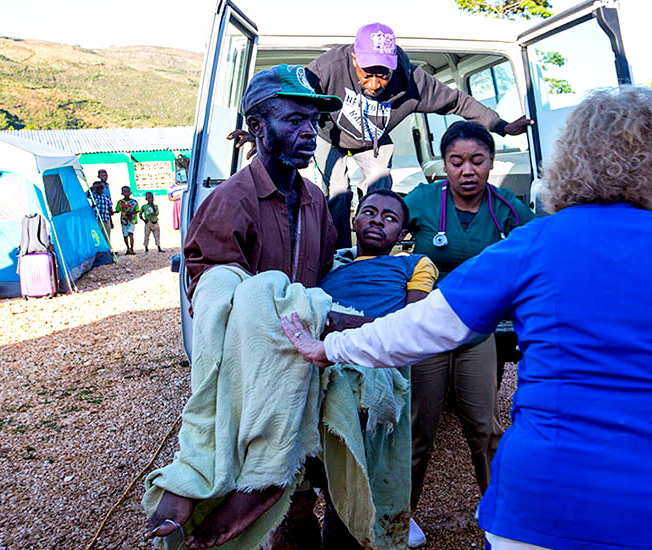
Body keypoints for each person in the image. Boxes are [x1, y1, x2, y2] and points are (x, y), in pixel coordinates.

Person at [282, 86, 652, 550]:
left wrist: (327, 348)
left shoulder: (529, 245)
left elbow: (419, 330)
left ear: (573, 161)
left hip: (544, 504)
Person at [144, 64, 341, 549]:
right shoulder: (231, 202)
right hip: (258, 378)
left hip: (310, 364)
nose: (308, 132)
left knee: (314, 478)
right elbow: (215, 300)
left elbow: (326, 275)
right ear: (258, 127)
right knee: (271, 483)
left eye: (313, 122)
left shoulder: (315, 199)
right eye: (293, 120)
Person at [231, 22, 534, 249]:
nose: (375, 82)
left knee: (380, 182)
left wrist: (501, 125)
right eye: (368, 73)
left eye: (383, 74)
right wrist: (262, 135)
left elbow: (457, 101)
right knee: (337, 191)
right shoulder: (328, 67)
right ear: (353, 59)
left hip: (373, 141)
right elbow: (290, 97)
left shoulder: (412, 80)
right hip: (331, 135)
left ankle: (376, 251)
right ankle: (342, 254)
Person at [402, 120, 534, 546]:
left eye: (477, 160)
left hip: (478, 332)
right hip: (428, 330)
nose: (467, 170)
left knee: (485, 426)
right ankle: (399, 514)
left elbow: (543, 241)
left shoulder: (508, 208)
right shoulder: (422, 201)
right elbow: (382, 228)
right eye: (456, 161)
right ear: (445, 164)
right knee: (419, 428)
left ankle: (501, 514)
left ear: (492, 163)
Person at [316, 188, 437, 549]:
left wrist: (346, 323)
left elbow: (410, 325)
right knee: (328, 477)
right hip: (324, 367)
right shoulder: (329, 264)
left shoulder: (415, 265)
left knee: (363, 475)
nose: (376, 221)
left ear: (401, 235)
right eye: (369, 212)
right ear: (353, 220)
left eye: (389, 218)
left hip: (377, 371)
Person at [115, 186, 139, 255]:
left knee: (131, 233)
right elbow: (117, 210)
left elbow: (137, 210)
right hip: (124, 221)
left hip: (132, 220)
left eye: (128, 191)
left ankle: (132, 248)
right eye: (125, 192)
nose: (127, 193)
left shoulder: (134, 202)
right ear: (122, 193)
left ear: (130, 192)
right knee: (125, 235)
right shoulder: (120, 202)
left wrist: (130, 213)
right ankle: (128, 248)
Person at [89, 180, 113, 246]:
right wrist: (92, 188)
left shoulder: (106, 197)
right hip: (98, 219)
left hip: (106, 219)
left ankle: (107, 250)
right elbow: (86, 194)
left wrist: (111, 221)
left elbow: (109, 209)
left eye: (101, 188)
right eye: (98, 188)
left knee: (107, 236)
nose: (100, 189)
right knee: (98, 236)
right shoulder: (93, 196)